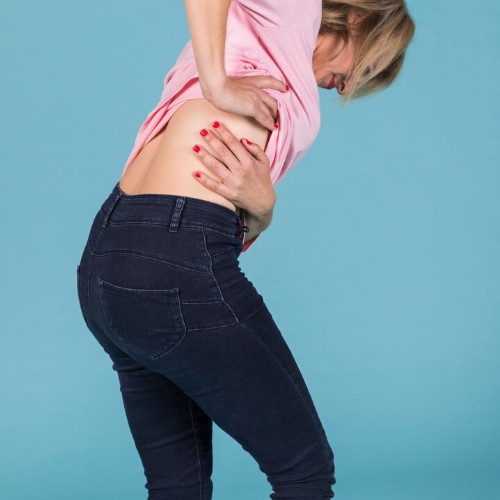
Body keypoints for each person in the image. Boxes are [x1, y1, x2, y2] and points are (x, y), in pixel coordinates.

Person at [76, 1, 415, 498]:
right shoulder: (294, 12)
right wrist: (217, 84)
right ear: (361, 20)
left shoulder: (265, 38)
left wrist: (264, 209)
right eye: (367, 69)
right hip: (173, 261)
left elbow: (230, 215)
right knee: (304, 472)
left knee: (179, 483)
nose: (346, 89)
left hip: (108, 258)